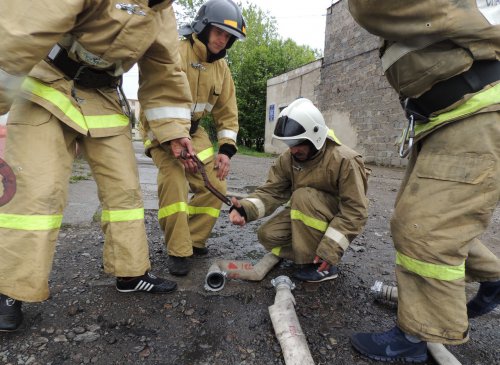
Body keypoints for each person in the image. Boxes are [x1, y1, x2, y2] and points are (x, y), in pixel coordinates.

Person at [0, 0, 195, 332]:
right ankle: (9, 288)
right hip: (47, 84)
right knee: (36, 191)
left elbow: (164, 71)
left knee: (126, 194)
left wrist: (175, 131)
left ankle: (131, 273)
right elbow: (24, 28)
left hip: (104, 96)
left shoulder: (161, 10)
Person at [347, 0, 500, 363]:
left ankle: (415, 337)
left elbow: (367, 9)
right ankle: (495, 279)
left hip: (476, 115)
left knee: (424, 228)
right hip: (449, 119)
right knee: (427, 219)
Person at [140, 0, 245, 276]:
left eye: (228, 36)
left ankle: (194, 240)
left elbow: (227, 113)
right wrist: (172, 138)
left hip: (193, 132)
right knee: (175, 181)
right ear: (204, 27)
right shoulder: (175, 51)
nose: (223, 40)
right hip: (162, 130)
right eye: (219, 32)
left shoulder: (222, 68)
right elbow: (154, 97)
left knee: (217, 185)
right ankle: (178, 250)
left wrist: (225, 150)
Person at [229, 98, 369, 282]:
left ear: (316, 136)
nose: (293, 150)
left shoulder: (345, 160)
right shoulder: (288, 159)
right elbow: (272, 191)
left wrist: (331, 249)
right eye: (290, 144)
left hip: (332, 219)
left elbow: (355, 211)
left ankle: (323, 265)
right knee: (267, 235)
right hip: (306, 210)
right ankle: (306, 253)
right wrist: (245, 209)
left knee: (302, 195)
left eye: (298, 144)